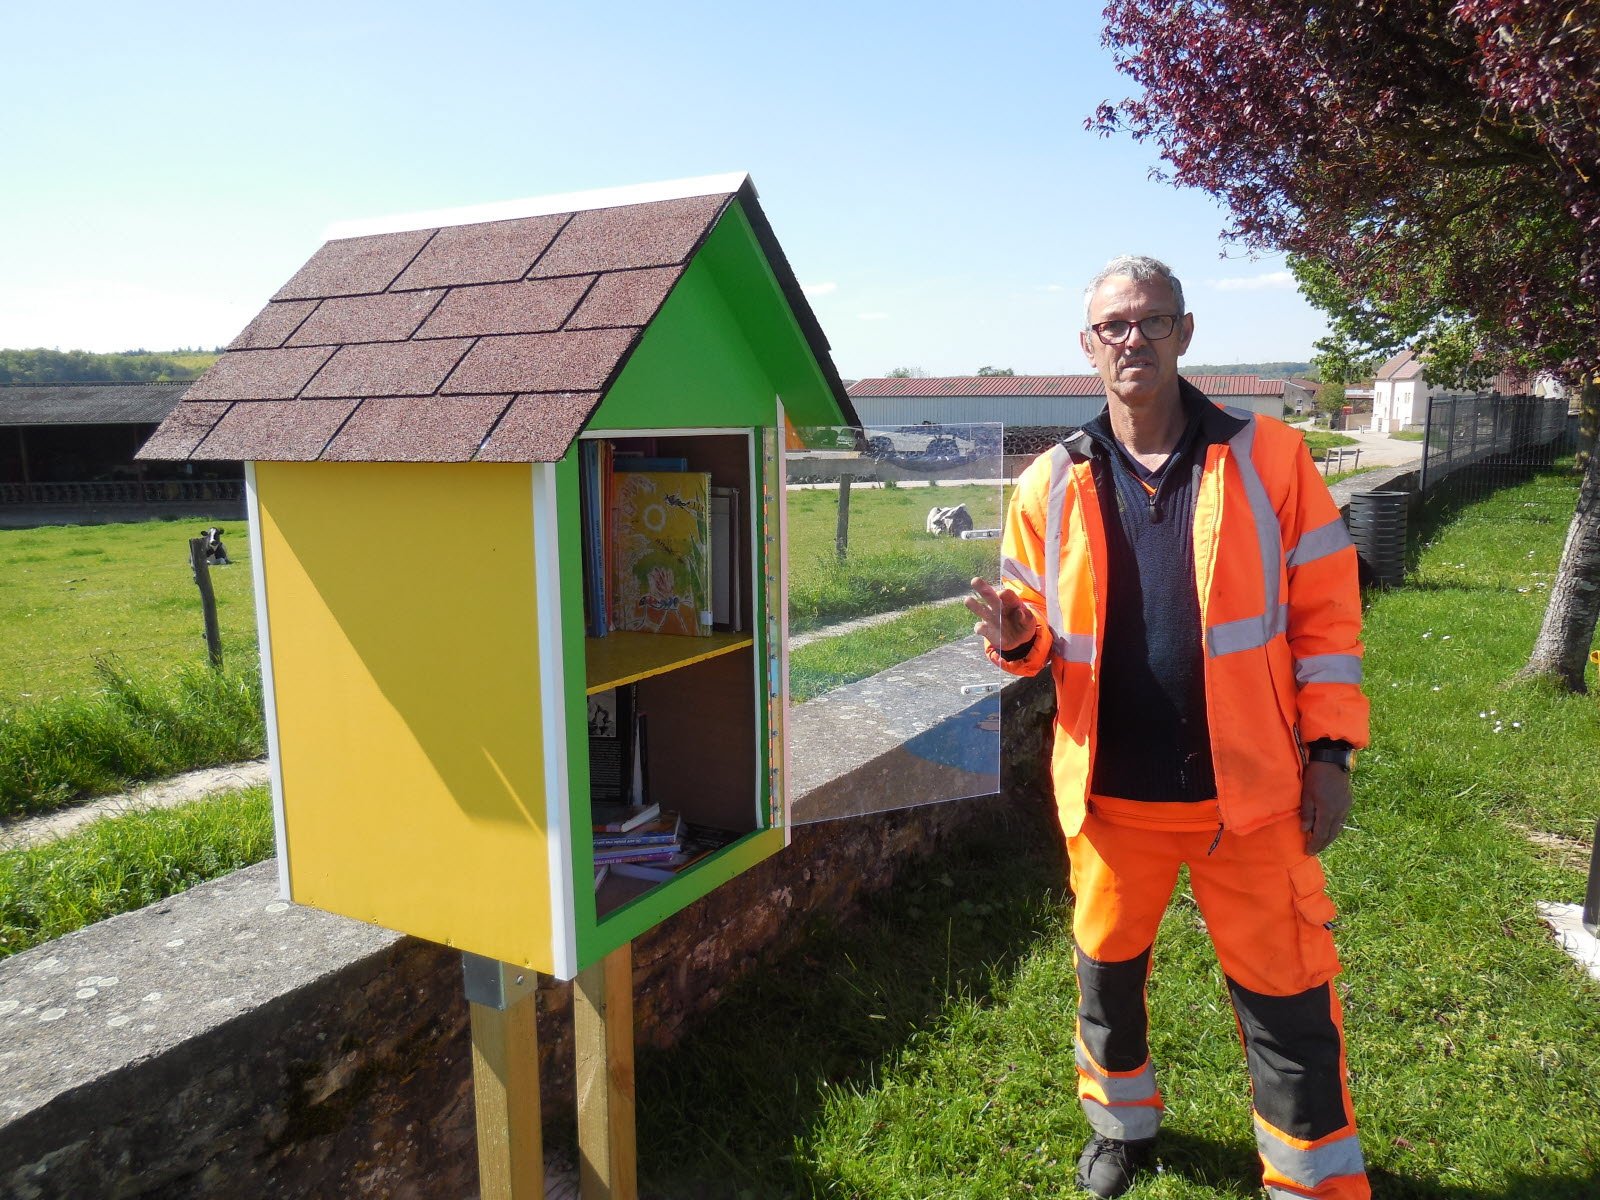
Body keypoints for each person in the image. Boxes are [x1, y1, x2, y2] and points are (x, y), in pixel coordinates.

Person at [966, 255, 1370, 1199]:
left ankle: (1308, 1180)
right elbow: (1031, 634)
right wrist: (1019, 640)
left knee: (1289, 996)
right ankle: (1121, 1127)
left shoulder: (1270, 458)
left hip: (1254, 794)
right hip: (1111, 798)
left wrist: (1331, 753)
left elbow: (1327, 620)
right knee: (1107, 979)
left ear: (1186, 334)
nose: (1132, 339)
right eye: (1114, 326)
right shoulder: (1048, 484)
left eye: (1152, 322)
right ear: (1087, 347)